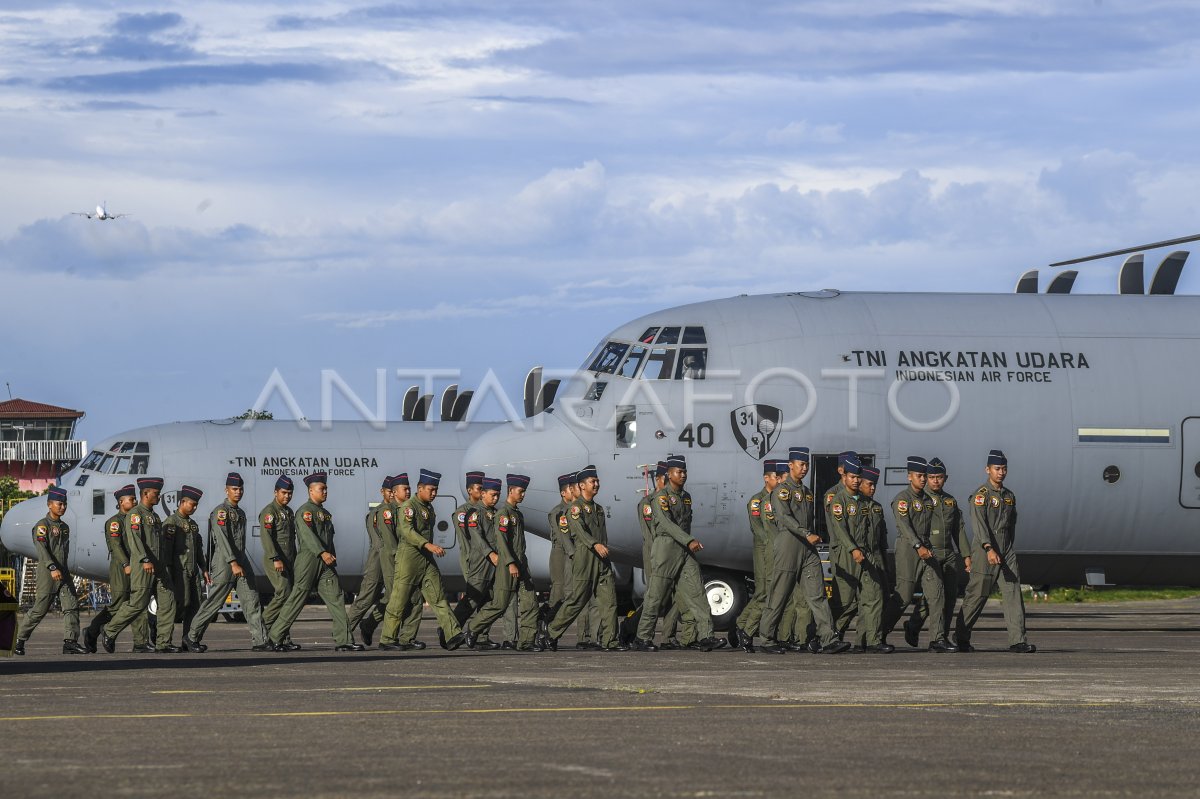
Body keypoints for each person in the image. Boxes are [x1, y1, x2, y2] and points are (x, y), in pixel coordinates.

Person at [757, 447, 850, 655]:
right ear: (791, 466)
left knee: (817, 594)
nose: (805, 468)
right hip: (789, 545)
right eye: (801, 464)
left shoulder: (807, 493)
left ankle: (828, 639)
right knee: (779, 595)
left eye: (807, 464)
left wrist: (809, 537)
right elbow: (784, 517)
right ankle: (766, 639)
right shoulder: (782, 491)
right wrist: (806, 533)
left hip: (808, 549)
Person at [267, 472, 363, 652]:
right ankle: (275, 637)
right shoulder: (305, 512)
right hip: (309, 560)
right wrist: (322, 553)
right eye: (321, 489)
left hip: (326, 562)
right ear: (311, 491)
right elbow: (307, 536)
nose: (325, 492)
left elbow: (329, 539)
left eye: (326, 488)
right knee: (298, 598)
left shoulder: (325, 514)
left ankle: (345, 640)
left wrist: (330, 556)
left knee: (336, 597)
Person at [634, 455, 717, 651]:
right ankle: (642, 637)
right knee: (656, 596)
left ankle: (706, 635)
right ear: (669, 475)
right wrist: (689, 541)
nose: (683, 475)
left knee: (697, 591)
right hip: (667, 548)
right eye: (679, 472)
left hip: (684, 549)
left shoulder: (686, 497)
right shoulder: (660, 498)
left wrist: (687, 542)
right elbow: (666, 524)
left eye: (684, 472)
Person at [955, 451, 1036, 653]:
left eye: (1004, 469)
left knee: (1012, 593)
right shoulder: (980, 496)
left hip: (1006, 549)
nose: (1001, 473)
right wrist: (988, 548)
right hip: (985, 550)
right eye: (997, 469)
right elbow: (979, 525)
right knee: (977, 595)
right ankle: (961, 637)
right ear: (988, 470)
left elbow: (1012, 524)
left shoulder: (1009, 497)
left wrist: (1008, 548)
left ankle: (1018, 640)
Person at [377, 469, 466, 651]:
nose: (434, 494)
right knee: (399, 600)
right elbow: (407, 531)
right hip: (409, 558)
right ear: (420, 488)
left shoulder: (428, 507)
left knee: (438, 596)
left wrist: (428, 549)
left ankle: (452, 634)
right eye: (431, 490)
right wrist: (428, 545)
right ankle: (387, 639)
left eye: (435, 490)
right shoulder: (409, 507)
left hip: (426, 560)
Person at [541, 465, 623, 651]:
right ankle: (552, 632)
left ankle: (611, 640)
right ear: (582, 485)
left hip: (602, 560)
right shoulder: (574, 510)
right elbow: (579, 531)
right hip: (585, 558)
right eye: (592, 481)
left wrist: (602, 548)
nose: (596, 484)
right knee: (576, 601)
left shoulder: (599, 509)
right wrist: (595, 544)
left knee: (609, 600)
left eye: (597, 481)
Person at [186, 473, 271, 652]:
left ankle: (260, 640)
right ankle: (191, 637)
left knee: (251, 598)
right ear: (226, 490)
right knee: (215, 602)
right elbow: (222, 539)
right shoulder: (221, 512)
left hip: (240, 560)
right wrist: (233, 562)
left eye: (240, 489)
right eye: (234, 489)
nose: (238, 492)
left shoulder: (240, 513)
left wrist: (239, 561)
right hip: (225, 561)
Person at [100, 477, 179, 653]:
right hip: (143, 566)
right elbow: (135, 540)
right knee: (137, 604)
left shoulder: (155, 516)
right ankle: (109, 630)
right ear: (146, 493)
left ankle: (163, 642)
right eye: (156, 494)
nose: (159, 497)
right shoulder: (135, 515)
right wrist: (144, 560)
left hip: (159, 567)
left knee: (168, 601)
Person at [883, 457, 955, 652]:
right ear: (909, 476)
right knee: (904, 596)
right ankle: (879, 633)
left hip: (926, 548)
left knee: (936, 592)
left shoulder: (928, 500)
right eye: (919, 475)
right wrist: (917, 545)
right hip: (908, 549)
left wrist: (927, 546)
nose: (923, 479)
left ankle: (937, 639)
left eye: (924, 475)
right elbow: (904, 526)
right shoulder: (902, 499)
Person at [464, 474, 541, 651]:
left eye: (524, 492)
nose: (523, 495)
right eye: (520, 491)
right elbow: (501, 540)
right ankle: (473, 628)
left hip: (521, 563)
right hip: (508, 564)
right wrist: (510, 563)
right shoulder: (503, 514)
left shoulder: (517, 514)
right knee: (500, 604)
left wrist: (521, 562)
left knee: (531, 603)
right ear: (511, 491)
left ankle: (526, 642)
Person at [905, 457, 971, 647]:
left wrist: (966, 555)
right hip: (929, 553)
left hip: (948, 553)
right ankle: (937, 639)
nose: (935, 481)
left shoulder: (950, 501)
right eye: (931, 477)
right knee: (936, 596)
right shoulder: (920, 500)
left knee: (949, 597)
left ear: (945, 478)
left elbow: (958, 529)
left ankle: (917, 626)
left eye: (939, 477)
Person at [14, 485, 85, 655]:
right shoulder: (42, 526)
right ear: (49, 504)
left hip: (63, 572)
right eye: (59, 504)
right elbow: (42, 549)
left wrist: (63, 569)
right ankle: (18, 640)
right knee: (40, 610)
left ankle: (70, 642)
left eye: (64, 504)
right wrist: (52, 567)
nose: (63, 507)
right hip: (48, 573)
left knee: (72, 606)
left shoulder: (65, 527)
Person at [831, 466, 892, 652]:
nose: (871, 488)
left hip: (868, 557)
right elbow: (840, 530)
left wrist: (882, 561)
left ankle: (869, 641)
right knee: (844, 601)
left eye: (874, 485)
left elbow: (878, 538)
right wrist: (853, 549)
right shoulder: (839, 501)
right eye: (868, 484)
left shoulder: (870, 506)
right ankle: (829, 636)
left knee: (873, 598)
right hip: (848, 556)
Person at [84, 484, 150, 653]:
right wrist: (126, 564)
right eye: (131, 499)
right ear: (121, 502)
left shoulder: (136, 519)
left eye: (135, 498)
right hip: (121, 567)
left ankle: (140, 642)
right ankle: (92, 631)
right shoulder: (115, 522)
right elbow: (116, 546)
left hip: (136, 565)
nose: (135, 501)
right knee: (119, 603)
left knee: (137, 602)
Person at [731, 460, 779, 651]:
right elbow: (757, 528)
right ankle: (744, 626)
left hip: (775, 550)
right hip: (763, 550)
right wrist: (772, 543)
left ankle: (741, 625)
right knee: (763, 592)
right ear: (766, 478)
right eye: (776, 477)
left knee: (767, 592)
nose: (779, 480)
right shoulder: (757, 500)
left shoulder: (779, 499)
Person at [347, 476, 393, 645]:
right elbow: (380, 543)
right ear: (383, 492)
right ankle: (344, 633)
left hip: (392, 561)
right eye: (390, 491)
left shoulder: (398, 511)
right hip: (378, 561)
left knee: (393, 596)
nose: (393, 495)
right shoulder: (377, 514)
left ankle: (369, 624)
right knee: (366, 597)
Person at [259, 476, 301, 651]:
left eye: (290, 493)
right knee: (284, 593)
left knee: (289, 598)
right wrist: (275, 558)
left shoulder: (289, 512)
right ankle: (263, 625)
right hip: (275, 560)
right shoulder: (270, 512)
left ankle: (283, 638)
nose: (287, 496)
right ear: (276, 492)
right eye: (284, 493)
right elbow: (267, 538)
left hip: (289, 560)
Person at [167, 485, 207, 645]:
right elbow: (167, 552)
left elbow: (198, 550)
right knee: (180, 604)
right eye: (192, 504)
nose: (194, 507)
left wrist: (203, 568)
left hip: (193, 571)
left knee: (195, 605)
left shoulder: (193, 525)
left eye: (196, 505)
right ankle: (161, 633)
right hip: (179, 571)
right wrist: (168, 572)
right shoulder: (172, 523)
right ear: (182, 502)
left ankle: (188, 639)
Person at [452, 471, 489, 626]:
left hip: (486, 560)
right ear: (469, 490)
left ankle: (480, 636)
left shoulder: (487, 511)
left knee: (486, 597)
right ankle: (451, 628)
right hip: (472, 559)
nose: (482, 492)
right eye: (479, 488)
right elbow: (468, 539)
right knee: (474, 596)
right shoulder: (463, 512)